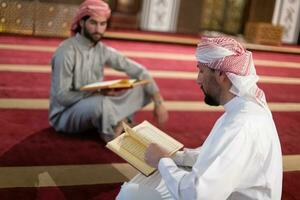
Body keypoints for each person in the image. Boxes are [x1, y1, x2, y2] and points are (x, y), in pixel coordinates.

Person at [116, 37, 283, 200]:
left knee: (130, 195)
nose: (198, 79)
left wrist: (162, 160)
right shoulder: (245, 107)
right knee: (153, 176)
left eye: (202, 71)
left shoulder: (240, 125)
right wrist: (175, 157)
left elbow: (197, 195)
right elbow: (214, 155)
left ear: (221, 74)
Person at [48, 0, 168, 142]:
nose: (98, 29)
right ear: (81, 23)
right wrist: (96, 92)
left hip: (95, 103)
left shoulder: (102, 50)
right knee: (101, 103)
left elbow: (140, 71)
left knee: (144, 88)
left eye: (102, 24)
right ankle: (113, 131)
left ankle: (117, 122)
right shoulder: (66, 52)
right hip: (65, 115)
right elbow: (63, 97)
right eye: (93, 23)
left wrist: (159, 102)